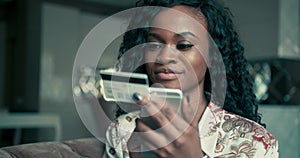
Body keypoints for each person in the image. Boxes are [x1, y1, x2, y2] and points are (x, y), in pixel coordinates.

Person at [102, 0, 279, 157]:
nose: (164, 57)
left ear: (212, 56)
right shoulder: (123, 131)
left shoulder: (254, 143)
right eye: (154, 44)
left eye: (184, 45)